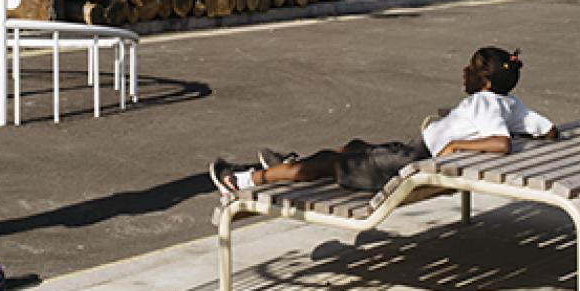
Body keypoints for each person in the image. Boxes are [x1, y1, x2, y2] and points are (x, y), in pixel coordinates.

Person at [209, 46, 559, 197]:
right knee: (355, 147)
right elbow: (548, 129)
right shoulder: (509, 103)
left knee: (332, 162)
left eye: (470, 68)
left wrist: (457, 144)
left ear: (484, 82)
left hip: (411, 164)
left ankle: (243, 180)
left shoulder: (484, 103)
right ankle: (289, 165)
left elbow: (501, 143)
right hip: (410, 153)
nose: (463, 71)